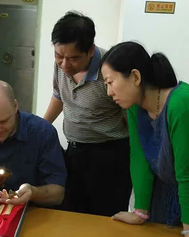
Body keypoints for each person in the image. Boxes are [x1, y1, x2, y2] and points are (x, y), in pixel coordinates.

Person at [43, 11, 131, 216]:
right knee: (71, 212)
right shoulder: (62, 67)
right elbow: (59, 96)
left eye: (73, 58)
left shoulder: (111, 72)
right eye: (58, 56)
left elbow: (132, 119)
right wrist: (40, 128)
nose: (64, 64)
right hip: (74, 151)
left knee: (103, 217)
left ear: (90, 51)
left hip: (109, 157)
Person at [101, 41, 189, 237]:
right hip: (164, 196)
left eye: (110, 82)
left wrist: (188, 228)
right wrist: (139, 212)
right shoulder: (134, 107)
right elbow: (140, 157)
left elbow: (186, 173)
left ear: (135, 77)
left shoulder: (181, 104)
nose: (109, 92)